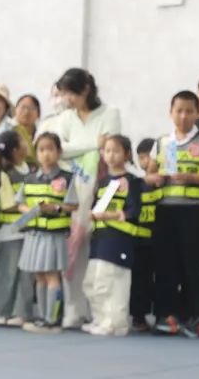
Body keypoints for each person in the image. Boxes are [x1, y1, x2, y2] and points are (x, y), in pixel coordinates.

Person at [148, 90, 199, 337]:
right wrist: (155, 178)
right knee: (166, 264)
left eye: (189, 111)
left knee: (194, 264)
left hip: (195, 211)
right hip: (165, 210)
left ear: (197, 113)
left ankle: (198, 315)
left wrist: (192, 177)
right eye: (179, 111)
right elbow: (149, 174)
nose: (183, 116)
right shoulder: (162, 142)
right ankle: (166, 315)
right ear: (170, 113)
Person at [54, 68, 121, 330]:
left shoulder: (109, 113)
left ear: (85, 90)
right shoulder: (66, 118)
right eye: (63, 94)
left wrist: (83, 149)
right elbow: (59, 150)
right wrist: (94, 143)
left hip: (101, 191)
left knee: (97, 253)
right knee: (72, 250)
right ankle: (73, 309)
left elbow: (110, 149)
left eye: (70, 93)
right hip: (71, 192)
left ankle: (99, 311)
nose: (67, 99)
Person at [19, 132, 79, 333]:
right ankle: (42, 316)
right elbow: (19, 203)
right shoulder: (29, 179)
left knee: (52, 276)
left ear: (59, 152)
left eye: (50, 149)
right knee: (39, 276)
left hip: (54, 235)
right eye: (41, 149)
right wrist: (30, 210)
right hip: (34, 234)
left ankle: (52, 318)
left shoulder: (67, 178)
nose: (46, 154)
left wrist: (56, 208)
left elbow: (73, 205)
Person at [83, 136, 141, 336]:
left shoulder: (132, 181)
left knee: (112, 281)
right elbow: (95, 208)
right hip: (99, 238)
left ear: (126, 154)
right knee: (93, 281)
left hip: (118, 240)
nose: (111, 155)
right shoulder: (103, 182)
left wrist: (110, 215)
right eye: (107, 151)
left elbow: (134, 211)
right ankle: (100, 318)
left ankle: (116, 323)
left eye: (116, 151)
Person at [0, 130, 32, 326]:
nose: (27, 144)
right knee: (7, 273)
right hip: (10, 232)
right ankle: (2, 311)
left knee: (26, 275)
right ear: (15, 150)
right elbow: (8, 204)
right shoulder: (4, 174)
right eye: (23, 141)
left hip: (29, 230)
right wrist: (32, 210)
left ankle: (22, 313)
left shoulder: (31, 170)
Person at [129, 138, 161, 332]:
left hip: (160, 240)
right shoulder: (135, 182)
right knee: (140, 280)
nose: (145, 162)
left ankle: (161, 316)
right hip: (140, 242)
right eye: (141, 158)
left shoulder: (164, 183)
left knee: (160, 279)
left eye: (148, 157)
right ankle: (138, 317)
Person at [14, 94, 40, 164]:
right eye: (23, 107)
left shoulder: (41, 133)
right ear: (15, 110)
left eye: (32, 108)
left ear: (38, 114)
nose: (26, 112)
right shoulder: (10, 131)